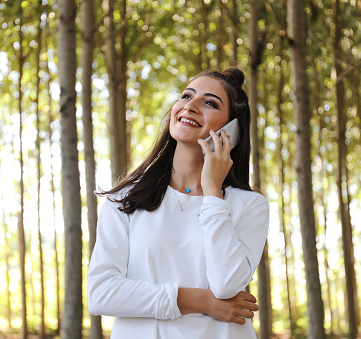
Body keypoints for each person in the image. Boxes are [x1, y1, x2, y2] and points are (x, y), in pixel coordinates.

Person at [87, 67, 270, 339]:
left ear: (231, 131)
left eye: (210, 103)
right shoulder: (124, 200)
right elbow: (101, 294)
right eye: (186, 96)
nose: (191, 106)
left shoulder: (249, 205)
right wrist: (199, 301)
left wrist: (212, 192)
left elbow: (226, 285)